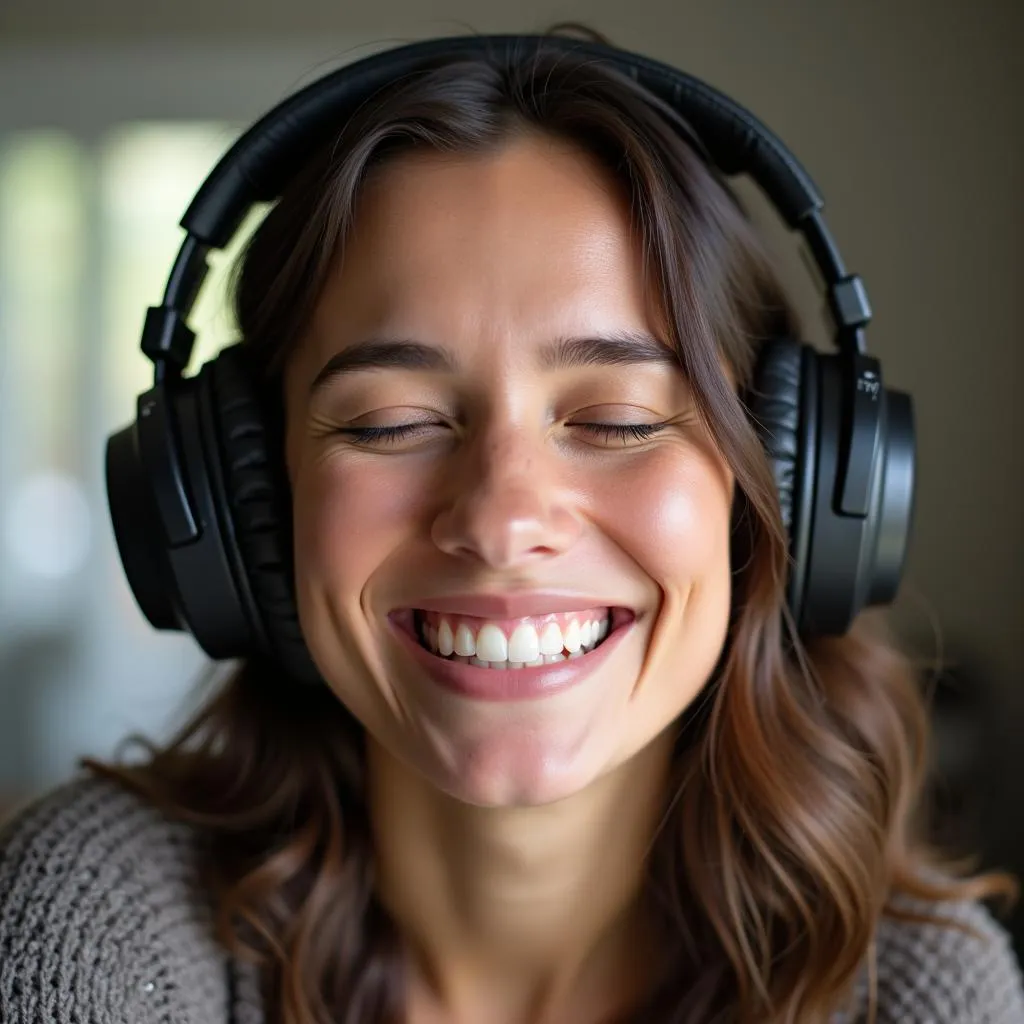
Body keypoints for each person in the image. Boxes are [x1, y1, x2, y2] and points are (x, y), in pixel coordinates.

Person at [1, 30, 1022, 1024]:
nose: (500, 519)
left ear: (777, 491)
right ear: (244, 495)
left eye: (616, 419)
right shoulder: (90, 930)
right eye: (389, 422)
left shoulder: (920, 989)